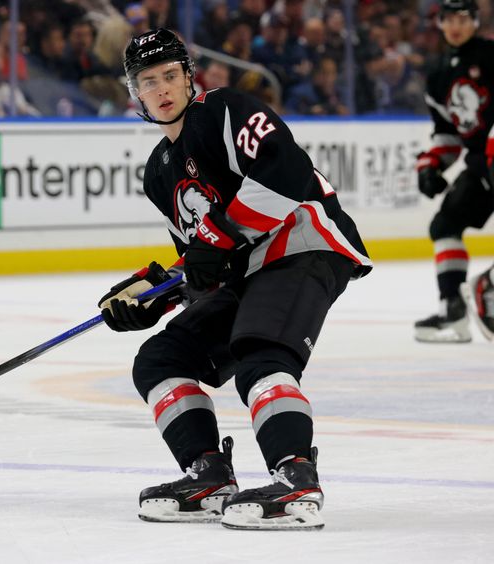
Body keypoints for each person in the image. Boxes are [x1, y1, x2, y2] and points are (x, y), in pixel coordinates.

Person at [97, 28, 372, 530]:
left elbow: (285, 171)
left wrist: (218, 240)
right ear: (134, 93)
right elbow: (204, 261)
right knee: (161, 360)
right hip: (248, 268)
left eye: (168, 76)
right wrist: (156, 292)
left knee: (260, 353)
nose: (160, 89)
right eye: (147, 81)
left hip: (302, 246)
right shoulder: (159, 172)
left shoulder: (226, 110)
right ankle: (208, 476)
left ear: (187, 77)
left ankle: (296, 479)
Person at [413, 0, 494, 343]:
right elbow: (449, 133)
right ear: (441, 23)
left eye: (463, 18)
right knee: (444, 225)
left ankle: (488, 288)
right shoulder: (439, 74)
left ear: (475, 21)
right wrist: (432, 163)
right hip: (482, 162)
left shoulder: (492, 56)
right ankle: (454, 311)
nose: (455, 25)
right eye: (449, 19)